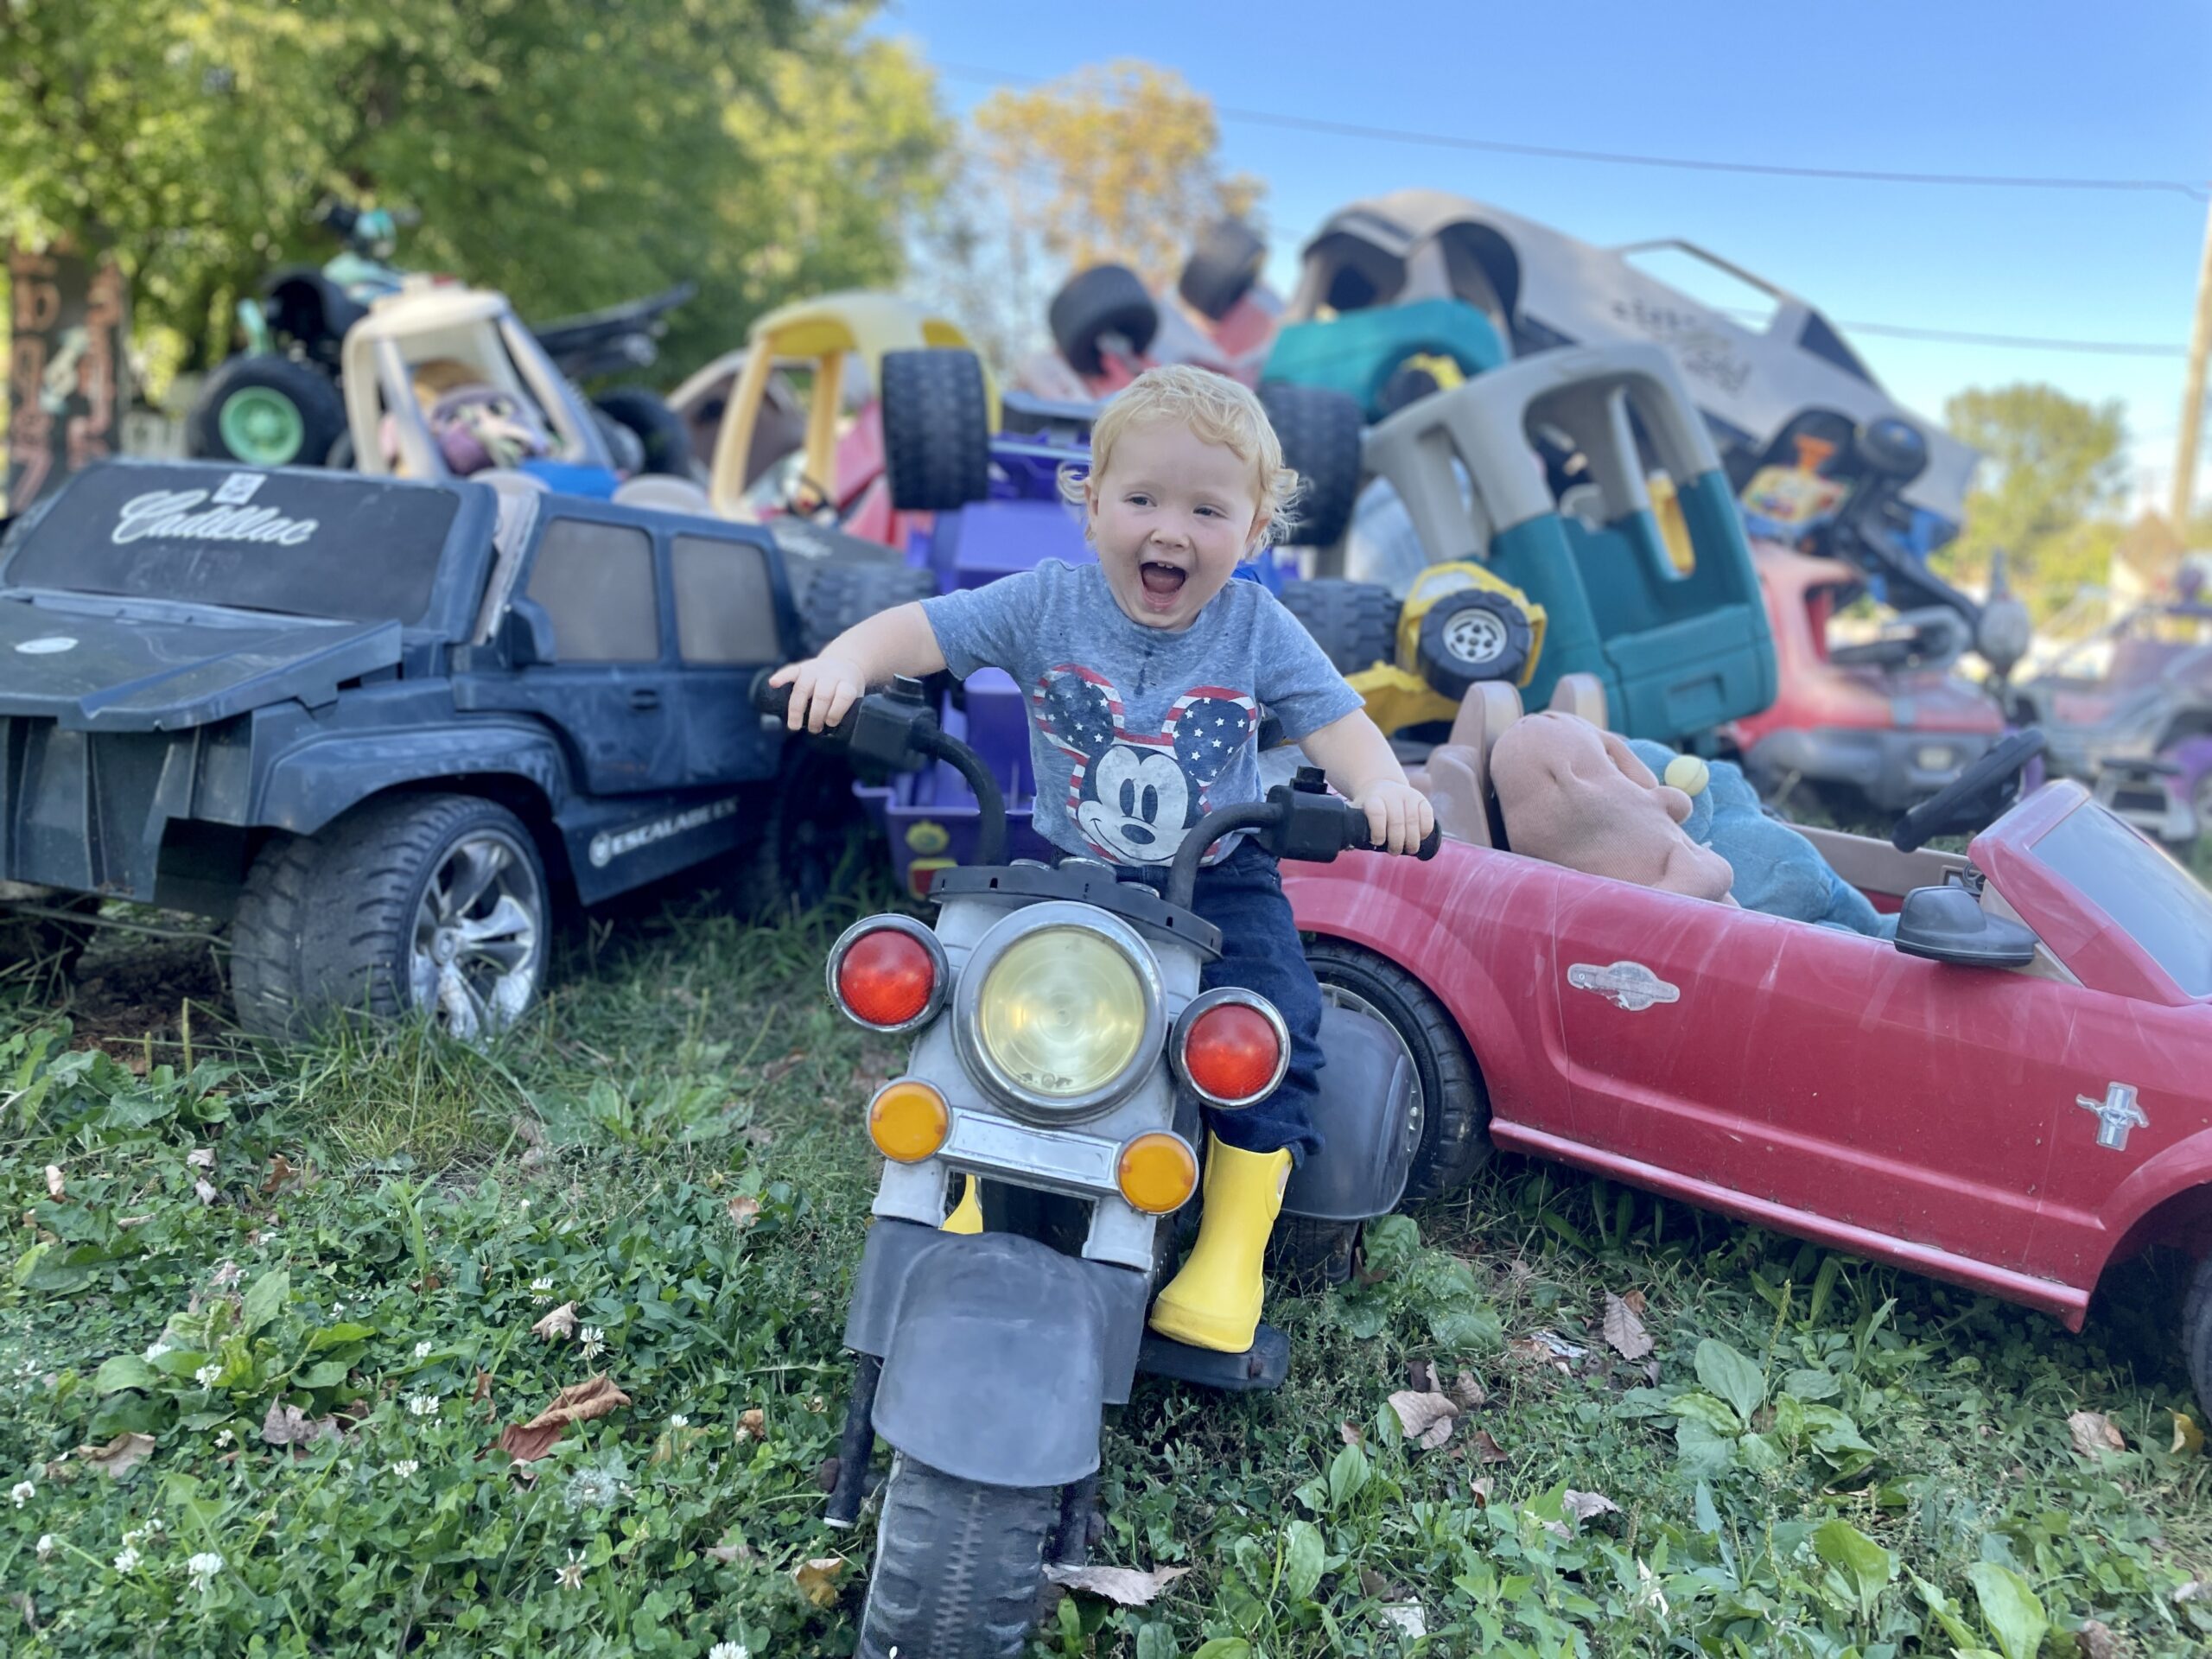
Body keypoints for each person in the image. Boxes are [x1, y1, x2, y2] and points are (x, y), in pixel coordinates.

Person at [768, 364, 1434, 1354]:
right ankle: (969, 1186)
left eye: (1208, 509)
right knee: (980, 1007)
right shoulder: (1045, 604)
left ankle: (1230, 1243)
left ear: (1253, 535)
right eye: (1142, 499)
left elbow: (1336, 724)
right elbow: (917, 631)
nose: (1170, 530)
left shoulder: (1259, 626)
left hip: (1219, 877)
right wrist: (842, 664)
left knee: (1271, 1024)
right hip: (1072, 870)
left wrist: (1380, 784)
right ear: (1090, 510)